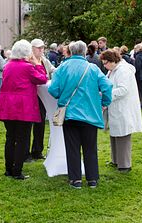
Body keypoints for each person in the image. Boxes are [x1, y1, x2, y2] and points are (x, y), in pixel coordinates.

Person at [48, 41, 112, 189]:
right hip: (90, 113)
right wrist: (105, 102)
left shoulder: (63, 67)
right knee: (90, 147)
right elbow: (107, 86)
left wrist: (62, 96)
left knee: (72, 147)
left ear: (71, 51)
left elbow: (53, 89)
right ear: (84, 52)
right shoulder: (93, 68)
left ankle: (75, 179)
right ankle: (92, 179)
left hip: (70, 113)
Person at [0, 40, 48, 179]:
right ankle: (17, 170)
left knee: (10, 137)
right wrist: (37, 64)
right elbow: (42, 79)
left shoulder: (8, 65)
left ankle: (8, 168)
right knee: (22, 139)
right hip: (23, 106)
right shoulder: (27, 67)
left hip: (8, 105)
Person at [100, 49, 142, 171]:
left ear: (113, 60)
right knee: (114, 134)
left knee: (122, 135)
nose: (105, 65)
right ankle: (115, 160)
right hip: (115, 107)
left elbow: (123, 90)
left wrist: (106, 94)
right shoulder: (113, 70)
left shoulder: (123, 70)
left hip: (123, 108)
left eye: (106, 62)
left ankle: (124, 165)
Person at [27, 39, 54, 161]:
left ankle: (37, 150)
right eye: (39, 48)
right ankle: (25, 152)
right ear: (32, 48)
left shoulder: (44, 60)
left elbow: (52, 70)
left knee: (40, 122)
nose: (41, 50)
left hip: (42, 95)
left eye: (42, 48)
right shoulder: (28, 60)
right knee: (27, 124)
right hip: (30, 95)